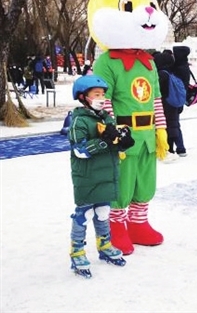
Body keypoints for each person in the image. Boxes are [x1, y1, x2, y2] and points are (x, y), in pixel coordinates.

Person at [68, 74, 135, 277]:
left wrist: (122, 142)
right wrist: (104, 141)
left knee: (104, 211)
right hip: (87, 176)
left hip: (107, 173)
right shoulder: (79, 120)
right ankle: (77, 251)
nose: (101, 98)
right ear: (83, 97)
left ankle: (104, 245)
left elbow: (113, 142)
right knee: (85, 213)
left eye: (103, 94)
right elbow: (79, 150)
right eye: (96, 94)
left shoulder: (107, 117)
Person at [153, 51, 182, 162]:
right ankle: (171, 148)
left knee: (166, 126)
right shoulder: (170, 72)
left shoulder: (161, 74)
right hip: (172, 102)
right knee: (172, 126)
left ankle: (167, 149)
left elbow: (157, 91)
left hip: (164, 104)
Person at [171, 45, 191, 157]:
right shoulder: (183, 65)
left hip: (175, 98)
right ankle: (180, 147)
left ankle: (180, 147)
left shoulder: (179, 67)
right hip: (179, 98)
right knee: (175, 124)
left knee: (174, 124)